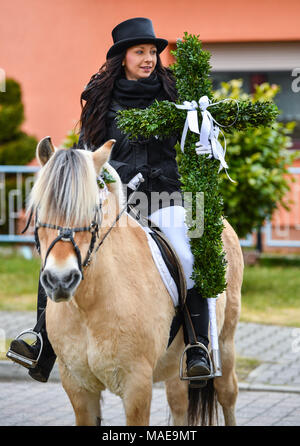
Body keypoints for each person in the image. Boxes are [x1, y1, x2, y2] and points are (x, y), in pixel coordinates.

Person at [7, 17, 210, 385]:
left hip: (163, 195)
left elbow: (190, 146)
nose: (149, 58)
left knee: (186, 250)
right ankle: (40, 339)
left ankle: (197, 346)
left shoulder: (175, 95)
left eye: (153, 52)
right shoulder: (99, 97)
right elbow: (86, 151)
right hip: (112, 195)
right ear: (123, 57)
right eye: (140, 52)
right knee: (61, 245)